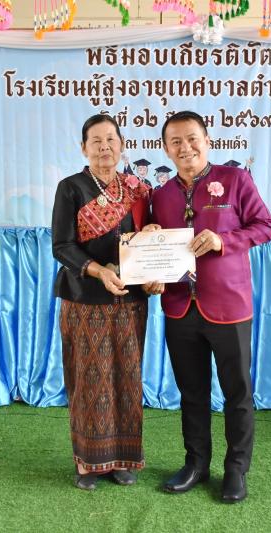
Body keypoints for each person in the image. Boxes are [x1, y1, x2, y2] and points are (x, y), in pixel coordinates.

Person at [145, 111, 271, 503]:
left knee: (238, 393)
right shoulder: (160, 195)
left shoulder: (235, 180)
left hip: (229, 306)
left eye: (192, 138)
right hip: (179, 307)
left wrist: (224, 241)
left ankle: (235, 469)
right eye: (176, 142)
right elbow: (155, 250)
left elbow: (266, 227)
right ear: (165, 149)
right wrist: (150, 255)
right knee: (192, 393)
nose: (185, 147)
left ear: (207, 140)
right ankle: (197, 463)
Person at [51, 114, 155, 491]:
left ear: (122, 145)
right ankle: (89, 462)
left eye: (111, 139)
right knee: (89, 378)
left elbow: (148, 239)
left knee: (126, 377)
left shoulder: (137, 190)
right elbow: (62, 246)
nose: (104, 147)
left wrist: (153, 252)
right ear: (84, 148)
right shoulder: (71, 188)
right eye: (95, 141)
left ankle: (122, 460)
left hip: (130, 299)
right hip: (85, 299)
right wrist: (98, 271)